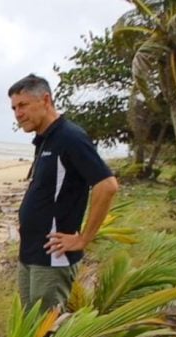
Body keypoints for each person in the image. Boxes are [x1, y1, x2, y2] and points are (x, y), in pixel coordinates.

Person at [9, 74, 119, 313]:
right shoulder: (45, 140)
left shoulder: (70, 137)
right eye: (14, 108)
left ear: (46, 100)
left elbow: (107, 185)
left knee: (46, 329)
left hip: (52, 256)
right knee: (28, 325)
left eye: (23, 105)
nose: (18, 114)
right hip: (31, 251)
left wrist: (82, 239)